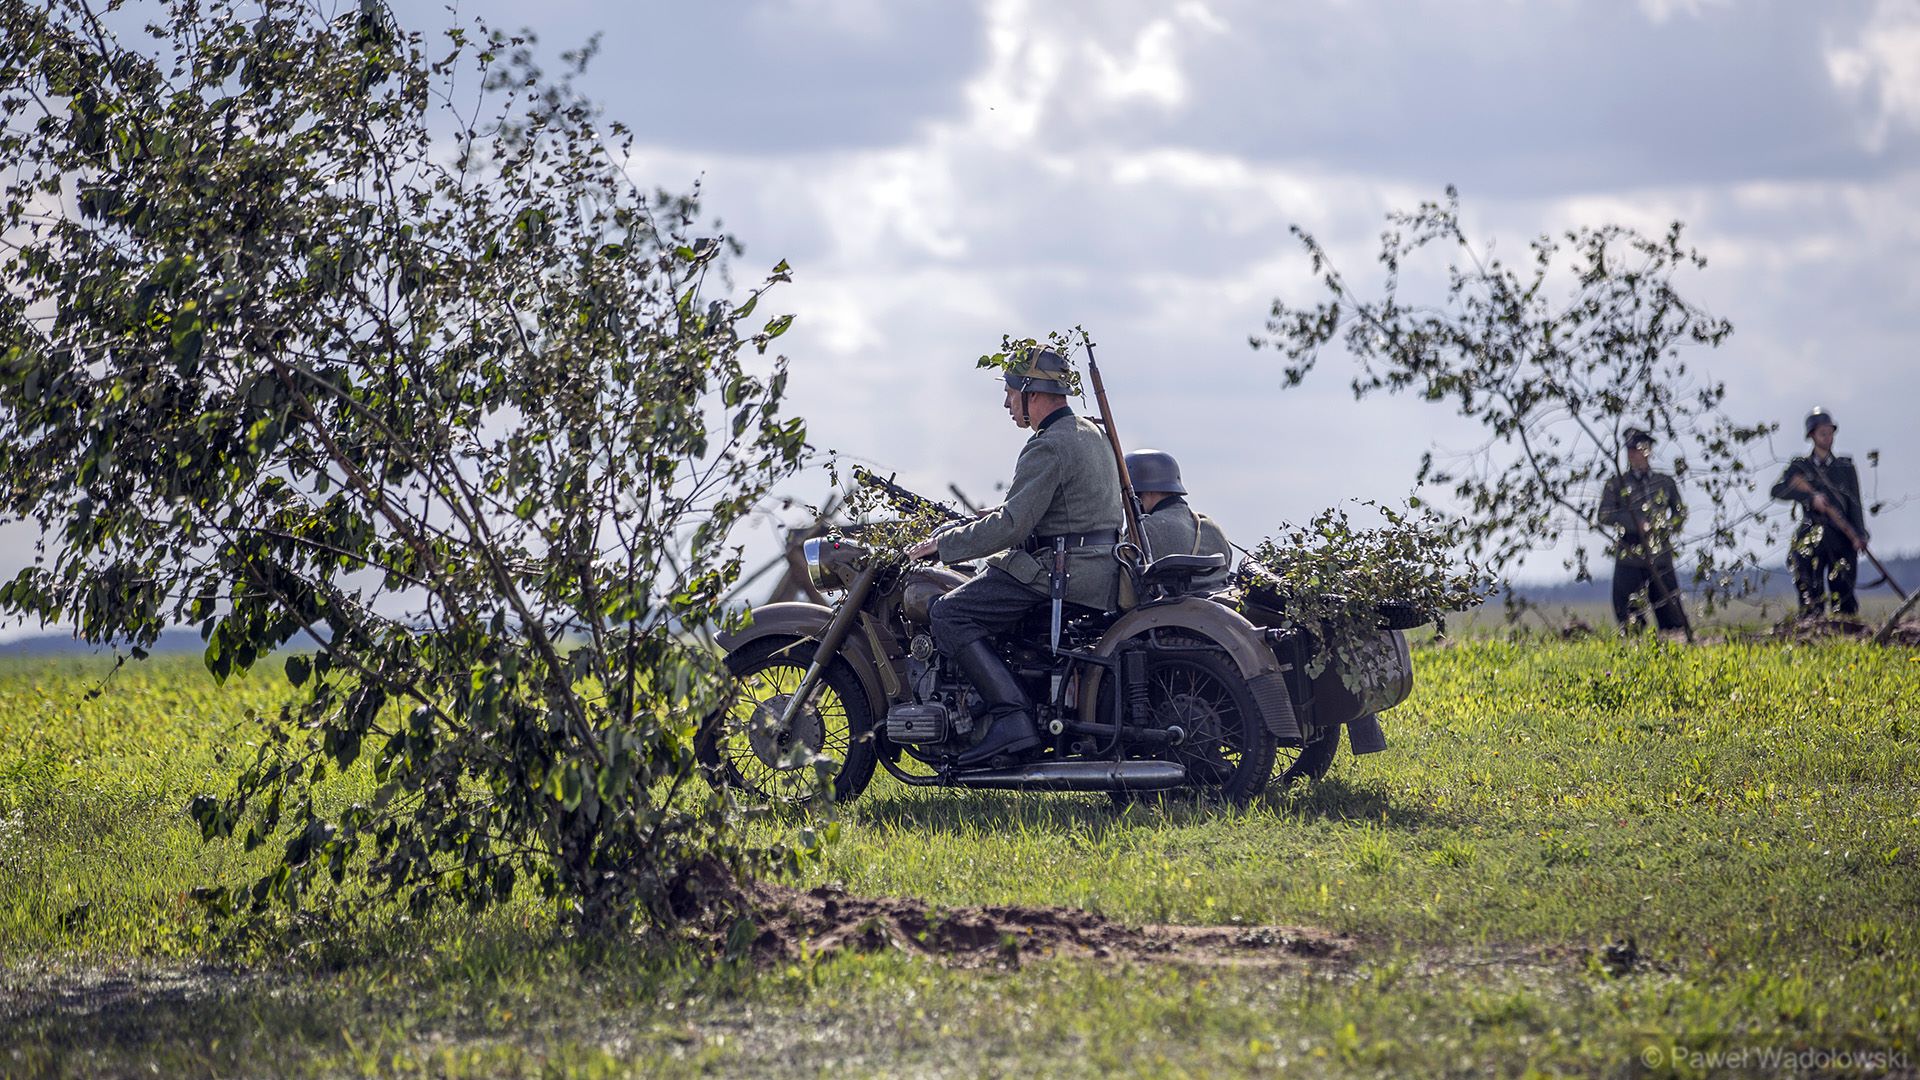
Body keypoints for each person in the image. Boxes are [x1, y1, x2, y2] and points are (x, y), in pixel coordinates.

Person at [906, 347, 1124, 767]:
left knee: (949, 613)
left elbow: (1011, 527)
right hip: (1098, 568)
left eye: (1010, 392)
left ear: (1031, 393)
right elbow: (1064, 510)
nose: (1007, 403)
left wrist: (944, 545)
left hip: (1062, 573)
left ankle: (1011, 717)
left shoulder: (1048, 446)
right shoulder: (1091, 434)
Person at [1770, 407, 1868, 617]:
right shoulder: (1801, 467)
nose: (1828, 437)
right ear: (1812, 435)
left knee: (1844, 594)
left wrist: (1859, 534)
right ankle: (1812, 626)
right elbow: (1777, 491)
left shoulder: (1845, 467)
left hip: (1840, 536)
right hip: (1811, 531)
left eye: (1830, 432)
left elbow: (1855, 504)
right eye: (1823, 433)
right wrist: (1809, 499)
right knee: (1809, 589)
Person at [1597, 427, 1689, 631]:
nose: (1632, 454)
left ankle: (1675, 640)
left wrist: (1663, 527)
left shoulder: (1664, 483)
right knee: (1628, 613)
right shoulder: (1617, 484)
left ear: (1647, 451)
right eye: (1629, 450)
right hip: (1629, 552)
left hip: (1660, 552)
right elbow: (1604, 515)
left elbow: (1680, 513)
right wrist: (1634, 523)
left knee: (1671, 611)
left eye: (1637, 449)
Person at [1125, 448, 1233, 593]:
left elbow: (1119, 574)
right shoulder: (1211, 527)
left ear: (1147, 491)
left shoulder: (1146, 530)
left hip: (1169, 607)